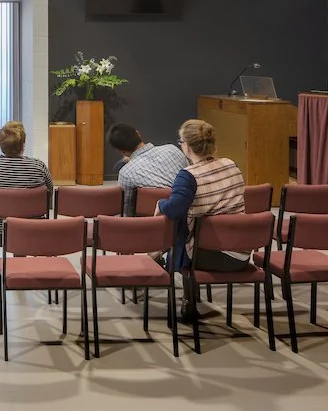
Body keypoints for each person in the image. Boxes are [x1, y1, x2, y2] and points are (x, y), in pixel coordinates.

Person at [156, 118, 248, 324]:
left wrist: (160, 203)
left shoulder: (189, 176)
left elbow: (173, 209)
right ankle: (159, 257)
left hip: (206, 256)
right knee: (193, 220)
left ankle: (184, 295)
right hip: (241, 253)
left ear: (187, 146)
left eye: (180, 142)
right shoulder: (231, 165)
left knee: (180, 222)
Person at [0, 121, 53, 280]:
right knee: (21, 219)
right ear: (23, 145)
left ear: (1, 145)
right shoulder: (38, 166)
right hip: (28, 230)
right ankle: (18, 262)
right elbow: (49, 193)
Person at [106, 121, 188, 215]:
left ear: (120, 151)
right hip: (186, 219)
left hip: (151, 225)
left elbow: (127, 212)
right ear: (138, 134)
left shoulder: (126, 174)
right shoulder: (173, 150)